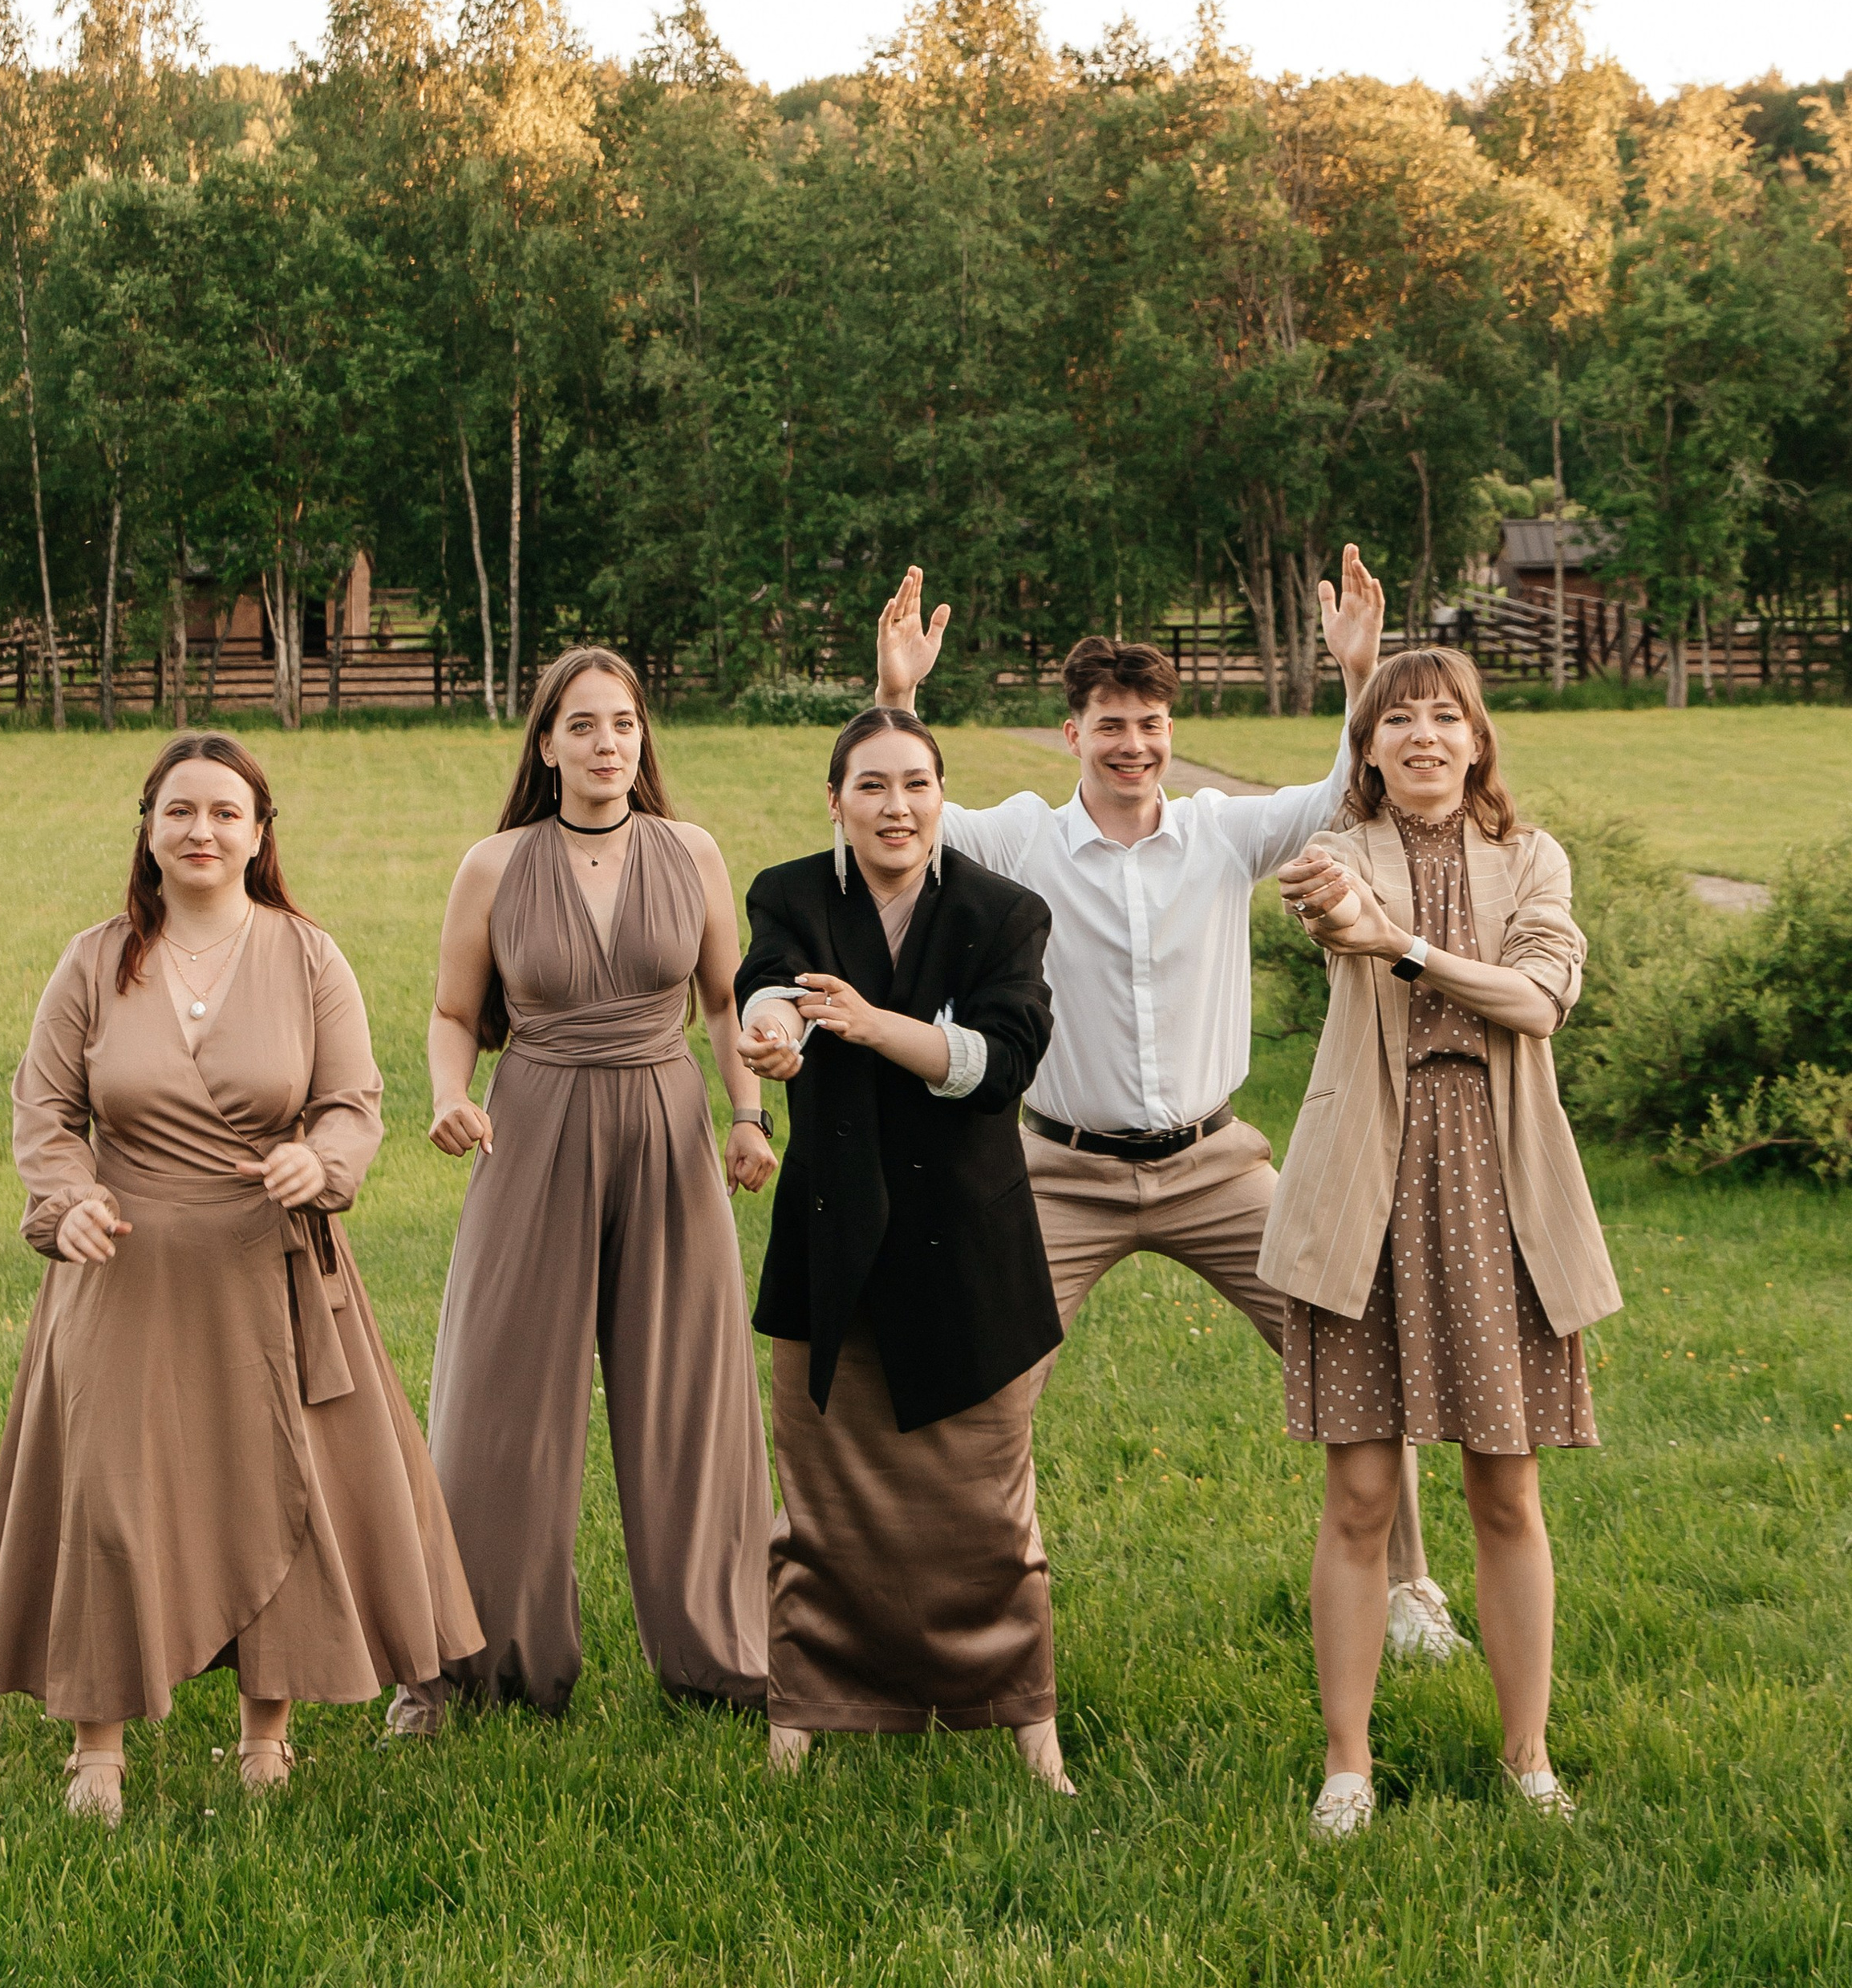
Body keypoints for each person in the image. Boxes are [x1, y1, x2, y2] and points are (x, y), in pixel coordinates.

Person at [874, 557, 1459, 1658]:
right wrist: (900, 696)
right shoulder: (1023, 841)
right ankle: (960, 1608)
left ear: (1170, 731)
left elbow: (1344, 793)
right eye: (1111, 725)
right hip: (1063, 1171)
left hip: (1217, 1167)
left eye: (1150, 724)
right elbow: (911, 810)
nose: (1133, 744)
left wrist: (1358, 674)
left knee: (1353, 1342)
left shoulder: (1219, 834)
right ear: (1072, 734)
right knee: (981, 1384)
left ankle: (1408, 1595)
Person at [0, 732, 482, 1827]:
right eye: (180, 812)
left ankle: (267, 1736)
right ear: (149, 831)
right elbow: (46, 1113)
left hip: (269, 1262)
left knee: (279, 1491)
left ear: (259, 836)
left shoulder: (309, 957)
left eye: (226, 814)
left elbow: (352, 1101)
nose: (202, 831)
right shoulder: (93, 960)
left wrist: (324, 1161)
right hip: (125, 1270)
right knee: (111, 1498)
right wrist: (69, 1201)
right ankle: (97, 1748)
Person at [1260, 648, 1619, 1835]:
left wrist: (1404, 947)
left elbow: (1539, 999)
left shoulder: (1534, 859)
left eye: (1444, 717)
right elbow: (1331, 913)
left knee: (1506, 1492)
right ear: (1367, 751)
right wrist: (1349, 919)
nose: (1421, 735)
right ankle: (1348, 1766)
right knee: (1359, 1494)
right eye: (1396, 718)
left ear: (1478, 742)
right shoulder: (1342, 854)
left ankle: (1529, 1762)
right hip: (1366, 1183)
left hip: (1499, 1190)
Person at [392, 646, 776, 1727]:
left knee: (690, 1392)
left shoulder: (689, 851)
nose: (609, 743)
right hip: (534, 1123)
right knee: (499, 1397)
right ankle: (477, 1666)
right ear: (547, 744)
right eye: (585, 725)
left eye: (625, 724)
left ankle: (727, 1656)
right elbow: (453, 1012)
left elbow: (720, 1003)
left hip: (666, 1123)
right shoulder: (496, 865)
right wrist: (447, 1093)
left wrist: (747, 1116)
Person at [736, 708, 1072, 1787]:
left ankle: (1028, 1723)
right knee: (822, 1501)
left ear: (942, 795)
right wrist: (775, 1031)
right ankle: (806, 1711)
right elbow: (771, 984)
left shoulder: (1001, 911)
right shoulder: (791, 893)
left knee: (986, 1510)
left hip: (969, 1245)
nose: (897, 806)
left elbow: (1003, 1064)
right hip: (832, 1239)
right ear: (835, 801)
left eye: (916, 785)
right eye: (872, 786)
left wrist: (874, 1024)